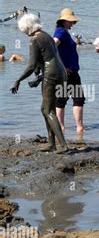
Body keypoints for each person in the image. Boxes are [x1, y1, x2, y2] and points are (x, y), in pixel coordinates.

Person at [10, 13, 68, 154]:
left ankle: (63, 145)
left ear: (27, 27)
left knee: (48, 110)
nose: (24, 33)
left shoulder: (34, 40)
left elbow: (31, 66)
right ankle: (51, 143)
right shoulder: (46, 35)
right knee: (45, 109)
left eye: (23, 30)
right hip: (61, 72)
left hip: (51, 75)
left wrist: (18, 80)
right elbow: (44, 58)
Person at [53, 8, 85, 135]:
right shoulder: (60, 32)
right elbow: (53, 45)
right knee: (77, 98)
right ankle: (78, 127)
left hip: (68, 72)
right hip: (68, 72)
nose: (72, 23)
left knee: (62, 99)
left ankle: (63, 128)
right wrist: (62, 66)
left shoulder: (64, 31)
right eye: (71, 21)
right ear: (64, 21)